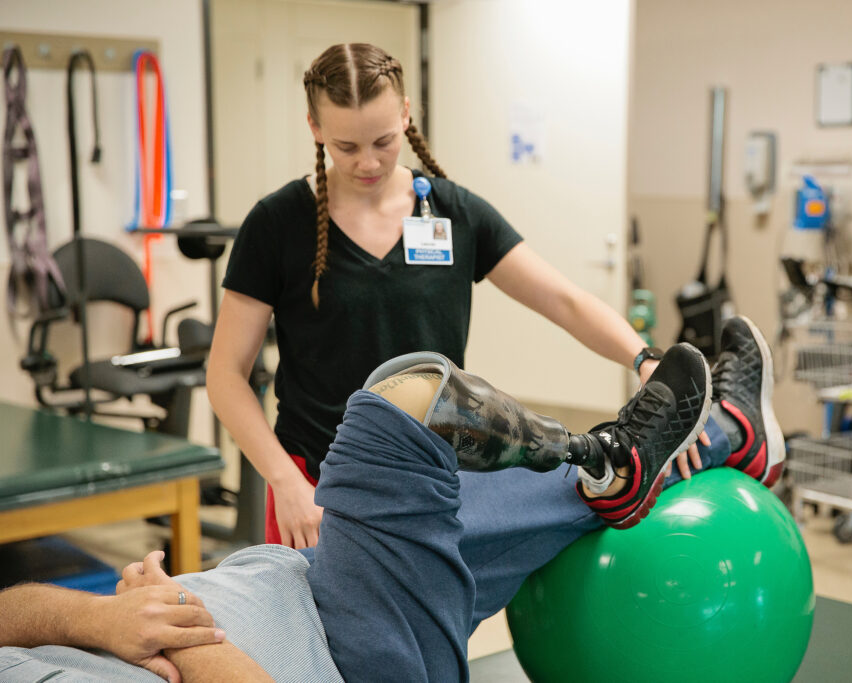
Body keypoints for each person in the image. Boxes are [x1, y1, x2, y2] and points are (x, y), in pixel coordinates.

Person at [0, 317, 785, 682]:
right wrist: (176, 624)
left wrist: (93, 615)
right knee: (399, 403)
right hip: (356, 660)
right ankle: (640, 456)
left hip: (315, 578)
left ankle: (710, 441)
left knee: (427, 414)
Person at [207, 42, 722, 548]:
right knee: (324, 632)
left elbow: (563, 300)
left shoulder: (453, 214)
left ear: (407, 115)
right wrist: (285, 482)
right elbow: (225, 374)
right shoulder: (277, 223)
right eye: (346, 147)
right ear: (315, 128)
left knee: (430, 627)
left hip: (435, 472)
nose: (368, 161)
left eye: (384, 141)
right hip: (316, 485)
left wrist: (643, 357)